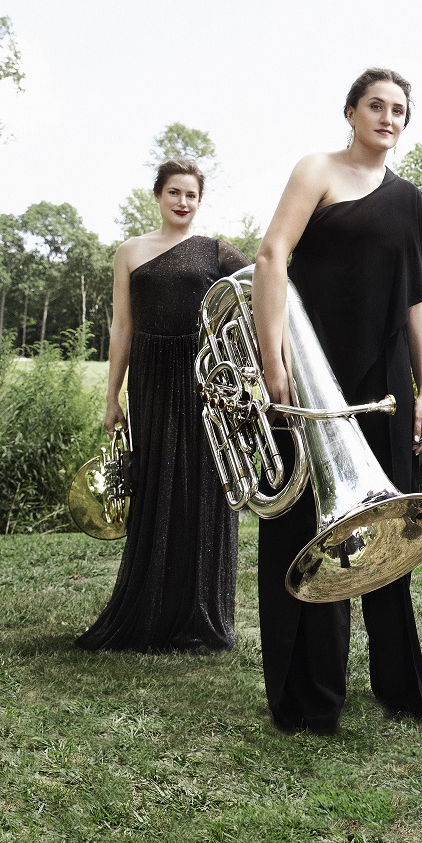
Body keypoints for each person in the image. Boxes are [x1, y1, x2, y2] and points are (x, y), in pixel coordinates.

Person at [251, 67, 422, 735]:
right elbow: (272, 254)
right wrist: (273, 356)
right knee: (305, 529)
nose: (388, 117)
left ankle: (399, 684)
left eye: (399, 109)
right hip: (311, 371)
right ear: (351, 111)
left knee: (391, 532)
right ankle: (310, 697)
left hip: (386, 383)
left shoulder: (412, 200)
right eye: (376, 105)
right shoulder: (318, 170)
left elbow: (418, 301)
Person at [79, 159, 247, 653]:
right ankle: (149, 611)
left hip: (202, 377)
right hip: (150, 376)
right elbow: (122, 326)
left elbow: (264, 287)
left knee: (201, 484)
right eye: (174, 192)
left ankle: (201, 616)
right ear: (158, 195)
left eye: (191, 195)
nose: (183, 202)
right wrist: (112, 395)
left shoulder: (216, 251)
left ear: (199, 200)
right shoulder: (129, 252)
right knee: (155, 483)